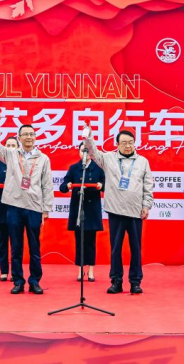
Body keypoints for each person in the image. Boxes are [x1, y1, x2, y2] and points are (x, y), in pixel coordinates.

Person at [83, 125, 154, 295]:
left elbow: (148, 186)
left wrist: (146, 205)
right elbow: (92, 152)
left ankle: (135, 282)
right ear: (117, 144)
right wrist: (88, 136)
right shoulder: (108, 158)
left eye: (131, 142)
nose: (128, 146)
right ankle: (116, 281)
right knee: (115, 249)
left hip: (135, 211)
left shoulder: (143, 161)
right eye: (124, 143)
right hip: (115, 211)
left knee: (136, 249)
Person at [0, 112, 53, 295]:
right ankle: (18, 281)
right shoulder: (10, 154)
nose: (29, 137)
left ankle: (35, 281)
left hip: (34, 207)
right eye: (25, 134)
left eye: (31, 134)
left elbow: (47, 185)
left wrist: (46, 209)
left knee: (34, 247)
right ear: (19, 138)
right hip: (14, 206)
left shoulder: (43, 158)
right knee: (16, 247)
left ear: (35, 137)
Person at [59, 143, 105, 282]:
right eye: (82, 150)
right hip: (78, 208)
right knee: (79, 241)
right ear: (79, 152)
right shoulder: (74, 168)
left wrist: (101, 185)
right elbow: (63, 186)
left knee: (91, 241)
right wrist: (67, 185)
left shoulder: (98, 168)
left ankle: (91, 270)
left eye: (87, 150)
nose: (85, 153)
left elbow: (107, 185)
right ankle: (80, 269)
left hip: (92, 209)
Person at [0, 135, 19, 282]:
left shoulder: (21, 162)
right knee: (2, 241)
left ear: (18, 148)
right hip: (1, 208)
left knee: (16, 242)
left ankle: (15, 271)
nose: (11, 148)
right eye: (8, 145)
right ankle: (4, 271)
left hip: (17, 207)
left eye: (14, 145)